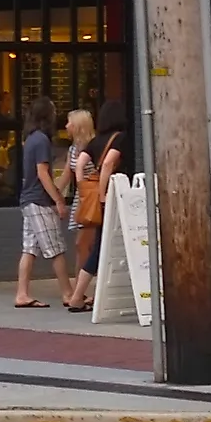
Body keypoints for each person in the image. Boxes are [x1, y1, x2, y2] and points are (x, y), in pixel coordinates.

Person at [68, 99, 130, 311]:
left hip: (101, 199)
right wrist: (103, 194)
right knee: (102, 248)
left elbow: (80, 163)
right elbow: (109, 163)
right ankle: (78, 297)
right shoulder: (120, 138)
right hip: (114, 198)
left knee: (102, 246)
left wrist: (82, 187)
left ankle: (93, 294)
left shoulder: (95, 141)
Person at [13, 96, 72, 308]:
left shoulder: (30, 139)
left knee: (29, 248)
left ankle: (22, 294)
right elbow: (43, 173)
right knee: (56, 249)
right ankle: (68, 294)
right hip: (39, 201)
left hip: (28, 200)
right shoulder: (42, 140)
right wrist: (58, 200)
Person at [57, 108, 95, 307]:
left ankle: (78, 291)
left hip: (91, 200)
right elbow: (66, 174)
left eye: (69, 122)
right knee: (81, 246)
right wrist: (55, 194)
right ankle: (79, 290)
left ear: (78, 126)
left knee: (82, 244)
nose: (66, 126)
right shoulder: (73, 149)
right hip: (80, 200)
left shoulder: (93, 147)